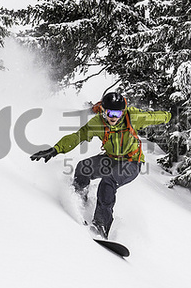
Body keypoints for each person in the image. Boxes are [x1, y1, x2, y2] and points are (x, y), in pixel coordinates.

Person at [30, 90, 171, 238]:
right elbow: (77, 137)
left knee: (108, 182)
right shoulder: (98, 123)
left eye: (117, 114)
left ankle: (102, 225)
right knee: (83, 167)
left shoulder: (133, 117)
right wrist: (56, 149)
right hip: (111, 159)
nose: (113, 118)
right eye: (110, 114)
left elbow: (155, 117)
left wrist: (170, 116)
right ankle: (79, 198)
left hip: (131, 163)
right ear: (103, 111)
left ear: (123, 112)